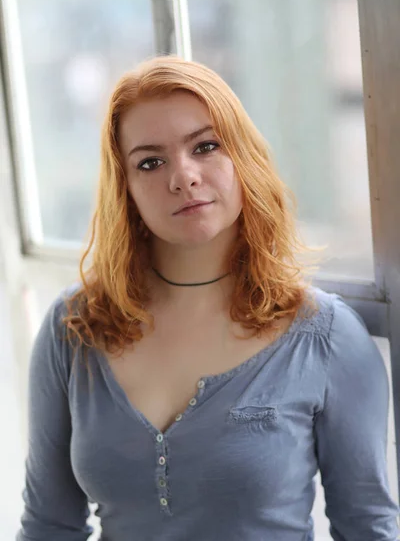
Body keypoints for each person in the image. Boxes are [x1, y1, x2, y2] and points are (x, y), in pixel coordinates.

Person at [17, 55, 399, 541]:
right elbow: (49, 525)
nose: (184, 176)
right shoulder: (73, 327)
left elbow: (367, 528)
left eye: (206, 146)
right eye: (150, 162)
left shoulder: (325, 337)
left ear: (242, 157)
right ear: (126, 188)